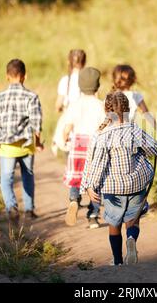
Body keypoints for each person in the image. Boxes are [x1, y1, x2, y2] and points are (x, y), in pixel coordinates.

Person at [80, 91, 157, 265]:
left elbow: (98, 165)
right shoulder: (134, 130)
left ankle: (117, 259)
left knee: (114, 223)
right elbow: (155, 149)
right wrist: (140, 150)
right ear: (127, 109)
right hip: (137, 184)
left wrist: (89, 186)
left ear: (106, 111)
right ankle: (131, 239)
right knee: (133, 219)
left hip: (113, 187)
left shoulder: (103, 135)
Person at [0, 59, 44, 222]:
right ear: (25, 76)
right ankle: (29, 210)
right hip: (25, 145)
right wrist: (38, 143)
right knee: (28, 175)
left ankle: (11, 207)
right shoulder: (32, 96)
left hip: (7, 147)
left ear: (7, 77)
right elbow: (36, 124)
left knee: (6, 179)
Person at [63, 67, 106, 229]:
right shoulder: (100, 105)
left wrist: (64, 138)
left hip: (78, 144)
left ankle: (74, 200)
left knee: (77, 175)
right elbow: (104, 127)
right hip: (94, 145)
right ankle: (93, 216)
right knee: (95, 181)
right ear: (97, 85)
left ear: (80, 86)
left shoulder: (75, 104)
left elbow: (67, 127)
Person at [111, 64, 157, 143]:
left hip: (112, 135)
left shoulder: (110, 97)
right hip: (129, 134)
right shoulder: (135, 95)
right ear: (133, 80)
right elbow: (147, 115)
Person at [51, 49, 87, 155]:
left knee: (71, 155)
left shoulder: (65, 81)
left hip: (69, 124)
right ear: (84, 62)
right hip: (85, 123)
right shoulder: (89, 80)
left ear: (69, 62)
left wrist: (60, 108)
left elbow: (58, 104)